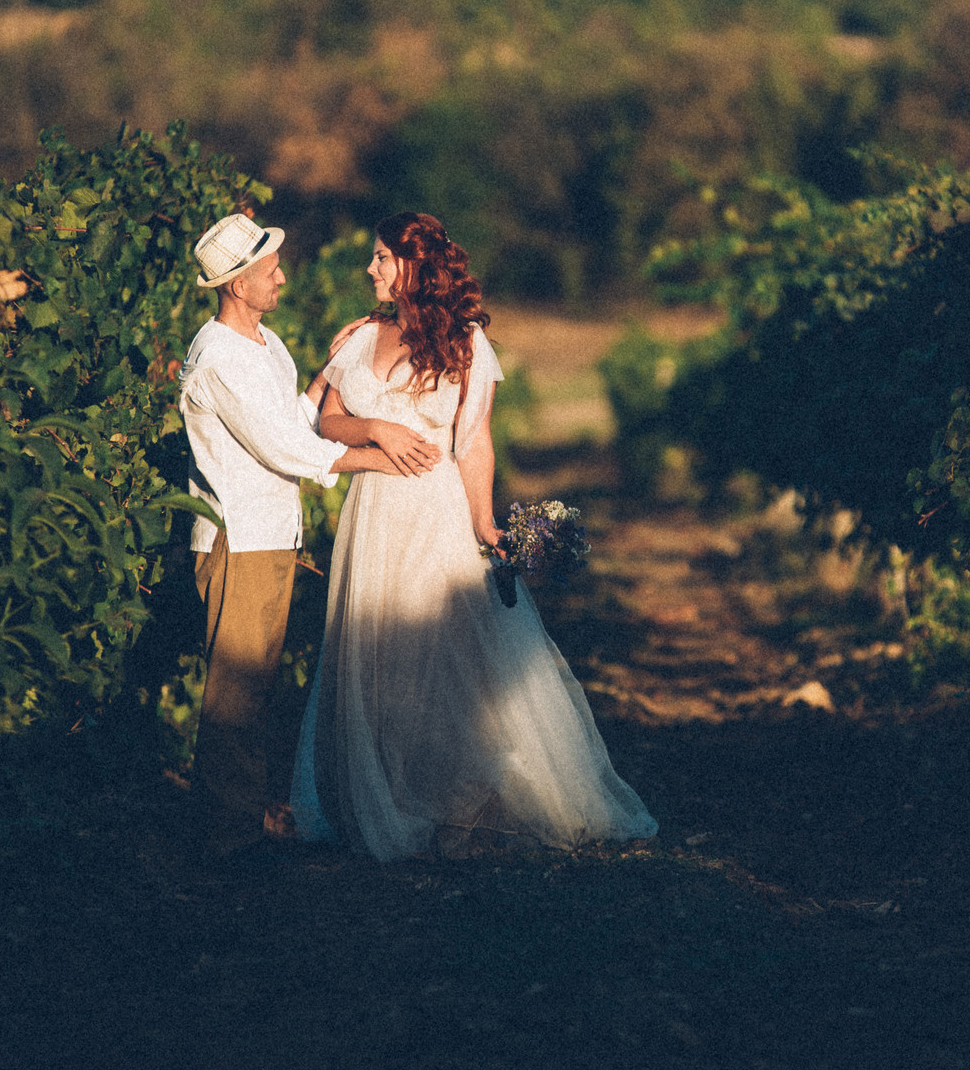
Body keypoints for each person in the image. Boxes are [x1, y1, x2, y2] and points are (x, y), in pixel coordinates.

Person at [290, 212, 656, 860]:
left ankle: (462, 799)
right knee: (377, 652)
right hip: (374, 510)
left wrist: (484, 519)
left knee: (444, 654)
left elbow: (475, 441)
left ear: (414, 265)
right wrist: (377, 430)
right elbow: (327, 420)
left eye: (381, 257)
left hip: (434, 512)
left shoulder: (465, 343)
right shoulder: (361, 337)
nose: (370, 268)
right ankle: (394, 797)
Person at [180, 211, 438, 858]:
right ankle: (224, 837)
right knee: (234, 695)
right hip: (238, 537)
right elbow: (284, 447)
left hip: (271, 533)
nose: (283, 279)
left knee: (257, 686)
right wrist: (380, 447)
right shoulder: (218, 357)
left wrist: (333, 367)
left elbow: (296, 417)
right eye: (270, 272)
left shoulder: (265, 346)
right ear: (236, 284)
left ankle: (238, 823)